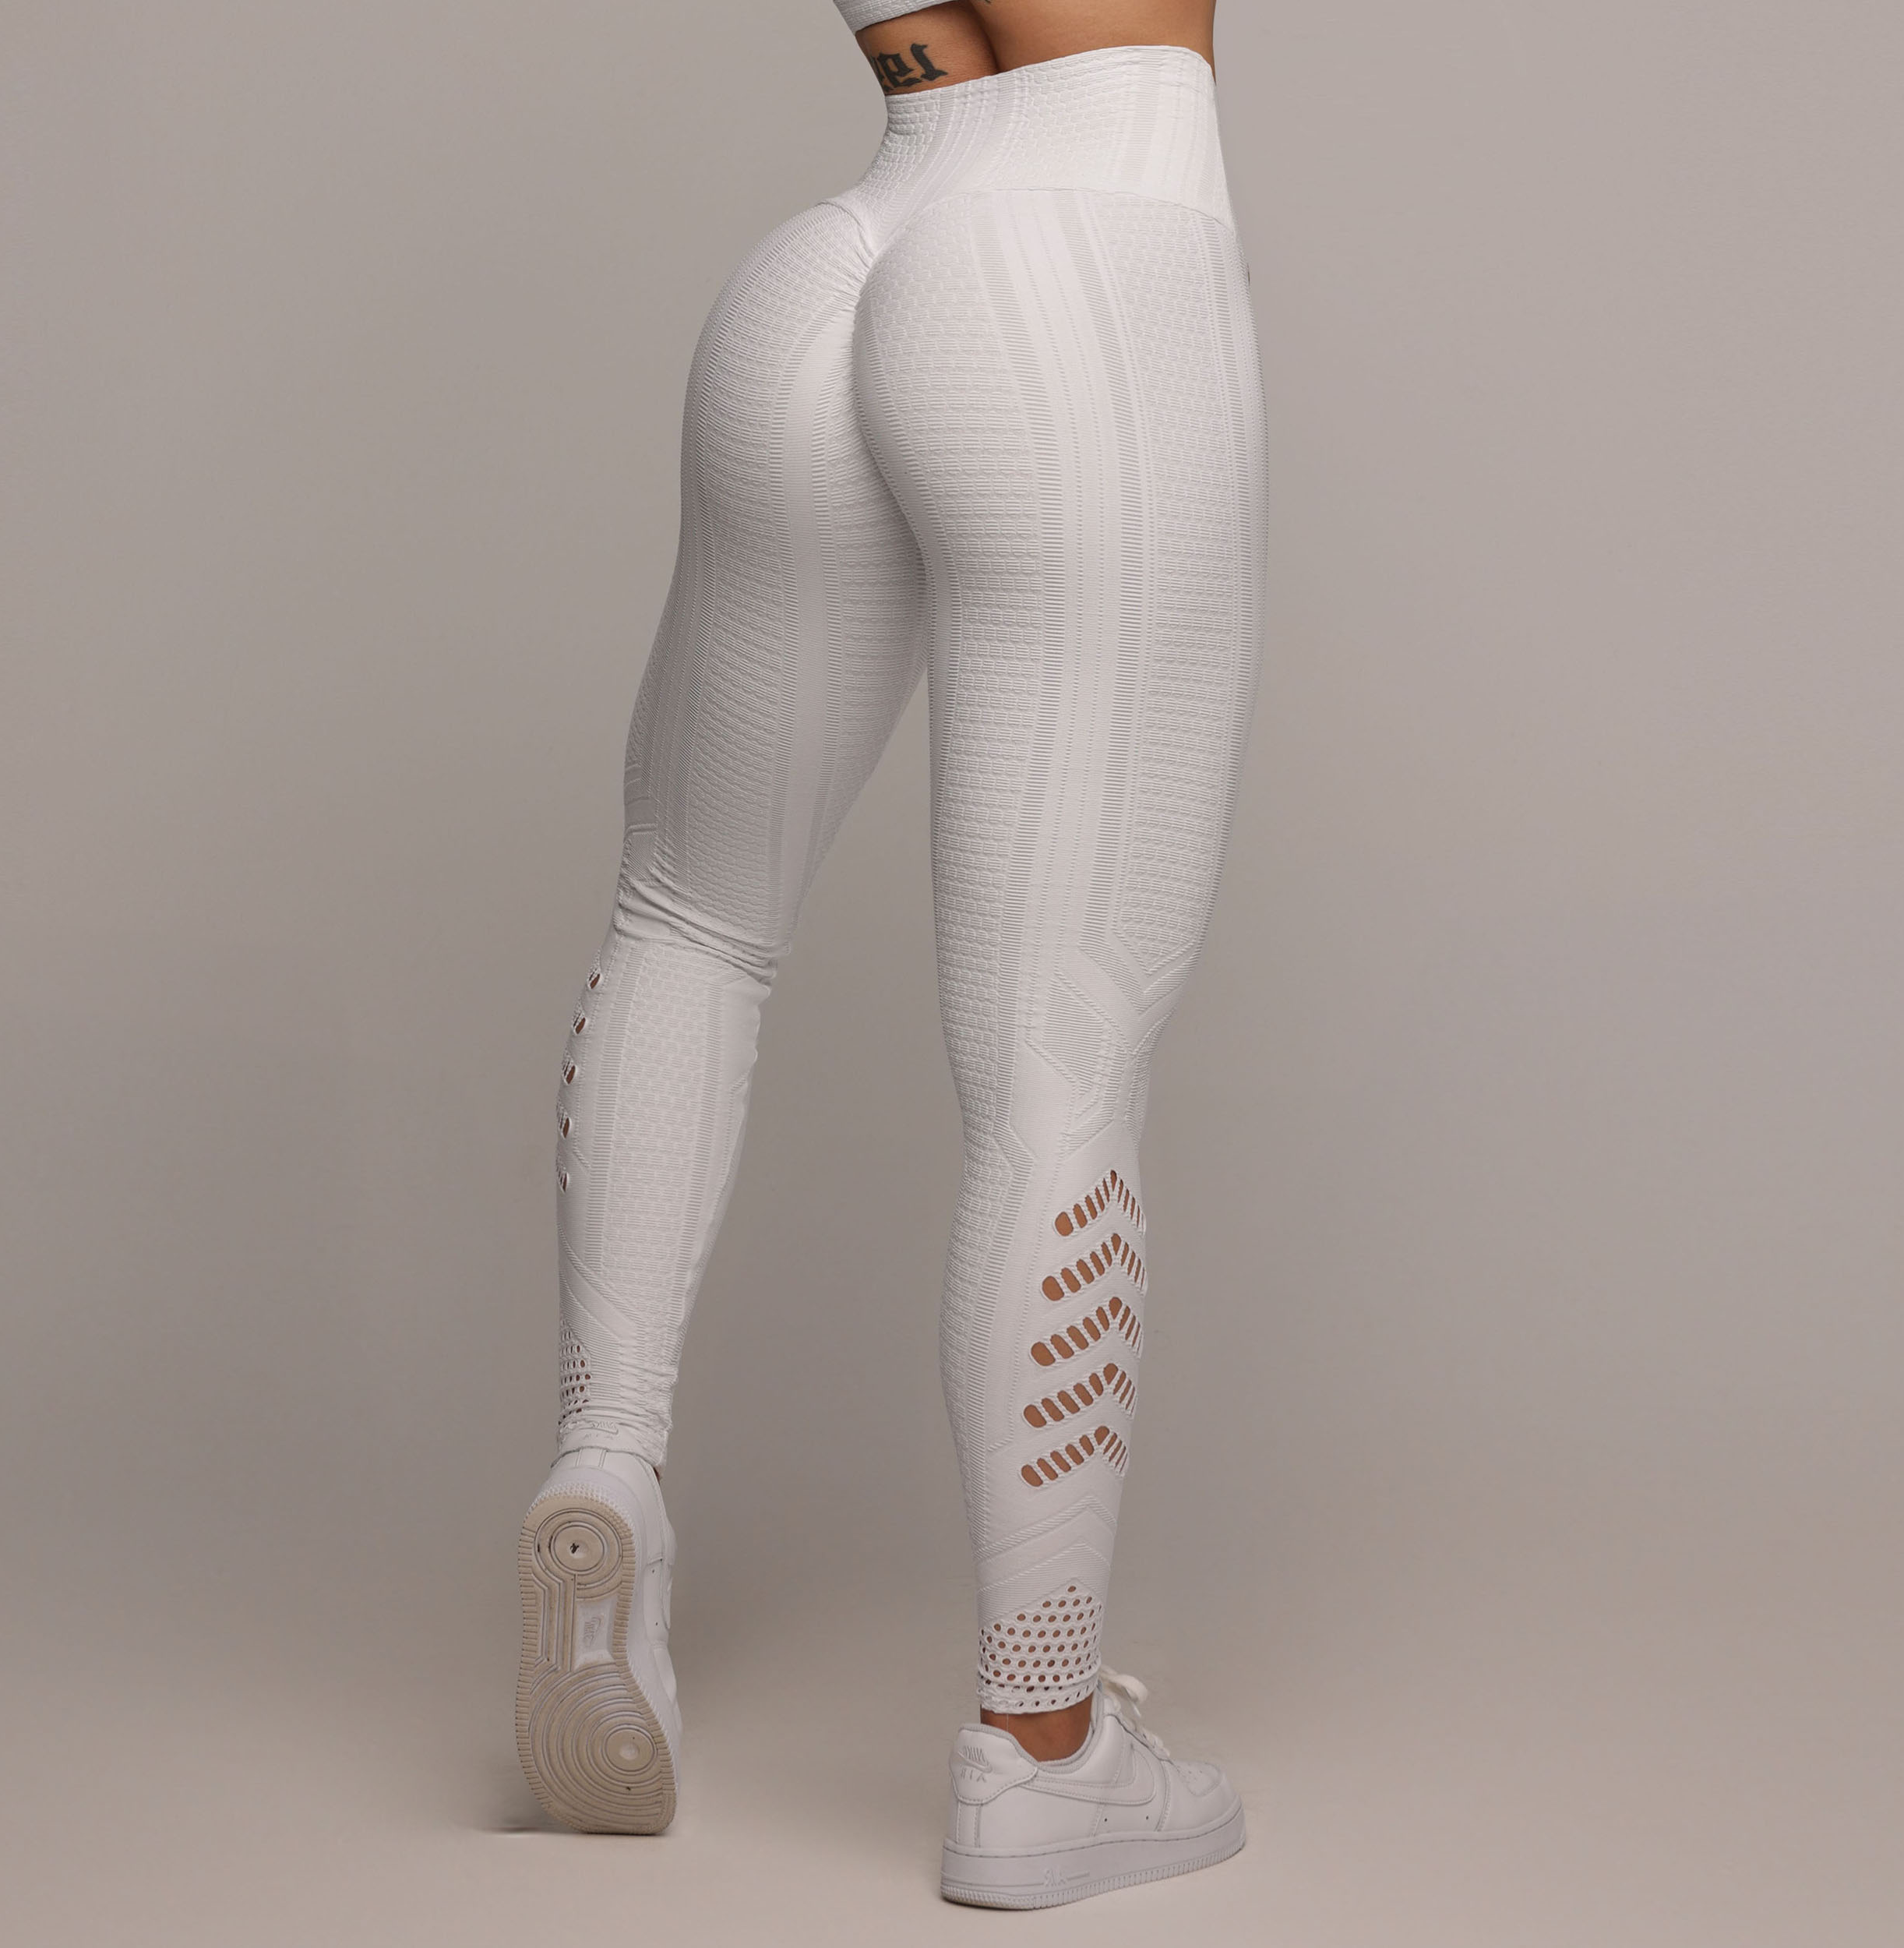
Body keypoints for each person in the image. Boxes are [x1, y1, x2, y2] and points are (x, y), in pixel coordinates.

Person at [513, 0, 1265, 1907]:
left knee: (688, 908)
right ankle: (1041, 1744)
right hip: (1080, 265)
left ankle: (608, 1463)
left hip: (841, 252)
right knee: (1057, 1064)